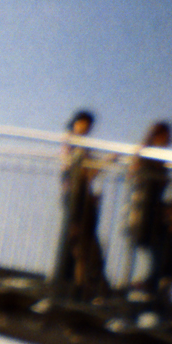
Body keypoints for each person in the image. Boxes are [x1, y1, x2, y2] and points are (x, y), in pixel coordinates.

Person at [57, 109, 109, 300]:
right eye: (83, 122)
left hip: (81, 197)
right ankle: (79, 284)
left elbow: (89, 172)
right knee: (79, 240)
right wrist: (102, 164)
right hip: (74, 196)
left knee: (80, 241)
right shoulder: (72, 142)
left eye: (88, 124)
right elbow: (77, 170)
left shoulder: (82, 145)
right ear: (76, 122)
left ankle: (79, 283)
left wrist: (101, 165)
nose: (85, 127)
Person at [127, 121, 172, 297]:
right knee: (160, 249)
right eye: (163, 137)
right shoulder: (146, 156)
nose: (166, 141)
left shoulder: (158, 158)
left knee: (165, 250)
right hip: (145, 210)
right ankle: (148, 285)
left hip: (153, 210)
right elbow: (136, 175)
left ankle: (149, 284)